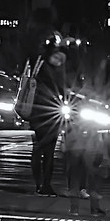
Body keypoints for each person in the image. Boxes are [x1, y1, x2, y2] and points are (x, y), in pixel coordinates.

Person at [23, 46, 72, 195]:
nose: (58, 61)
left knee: (42, 150)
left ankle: (42, 184)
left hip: (43, 114)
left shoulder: (42, 69)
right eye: (57, 57)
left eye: (61, 59)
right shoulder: (50, 72)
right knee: (45, 151)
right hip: (47, 114)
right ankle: (44, 184)